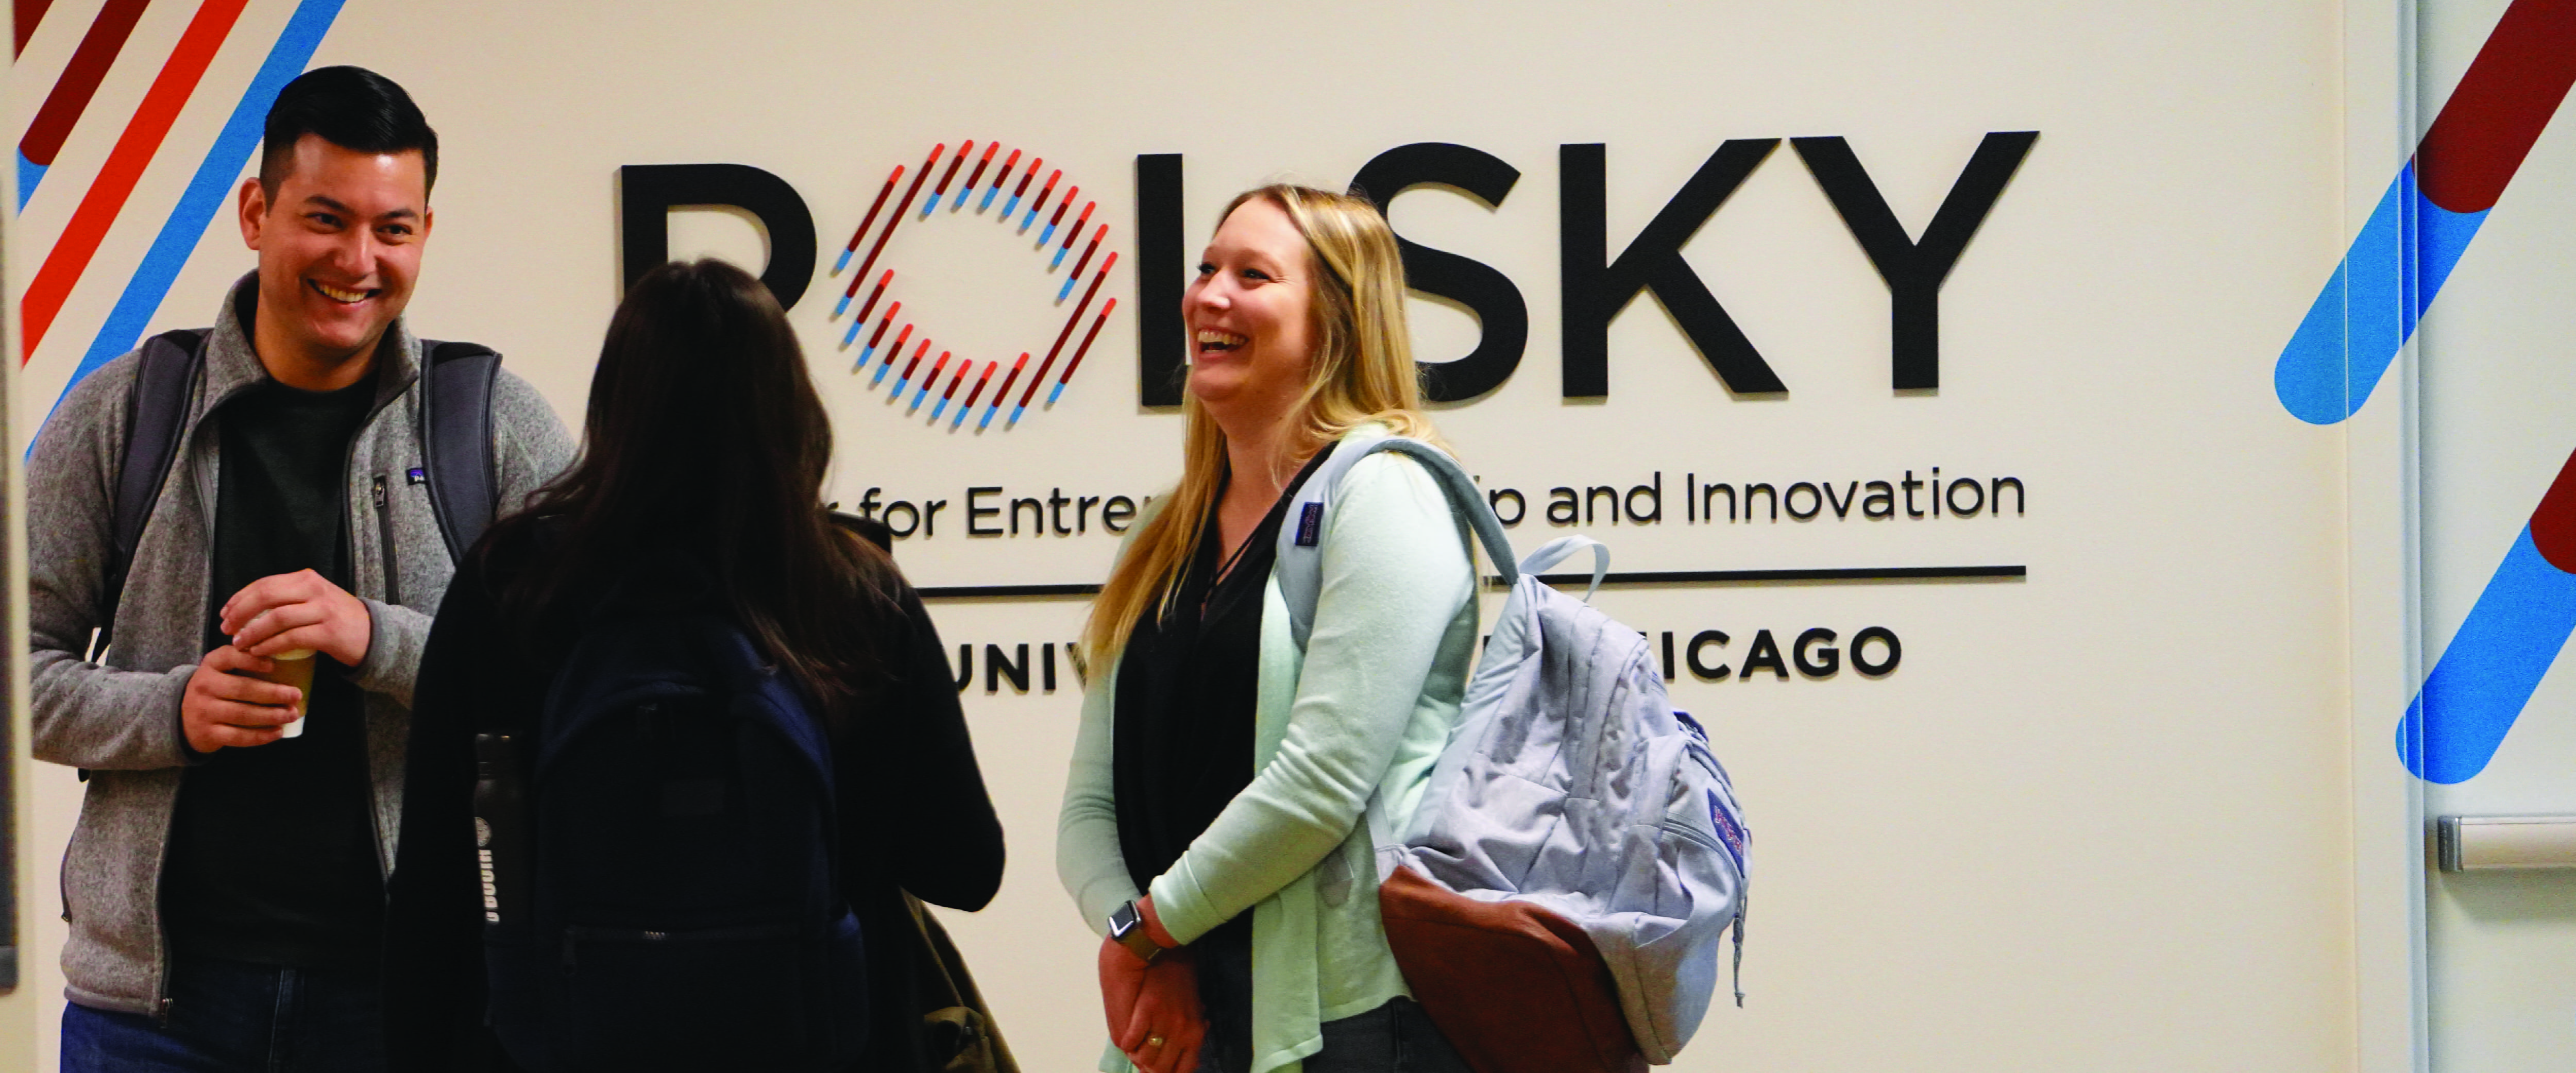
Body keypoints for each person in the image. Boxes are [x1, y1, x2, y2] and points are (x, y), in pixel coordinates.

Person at [27, 66, 574, 1071]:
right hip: (154, 1013)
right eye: (325, 219)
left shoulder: (492, 424)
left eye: (393, 229)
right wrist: (172, 712)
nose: (358, 260)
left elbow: (580, 677)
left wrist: (385, 641)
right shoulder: (127, 412)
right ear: (254, 213)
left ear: (424, 232)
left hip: (415, 1005)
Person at [380, 258, 1005, 1071]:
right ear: (790, 406)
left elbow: (435, 881)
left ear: (615, 405)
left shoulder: (515, 586)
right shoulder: (849, 591)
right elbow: (965, 864)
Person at [1057, 185, 1481, 1073]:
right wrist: (1151, 944)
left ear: (1335, 319)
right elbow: (1090, 809)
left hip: (1353, 1026)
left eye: (1252, 275)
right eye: (1207, 268)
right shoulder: (1158, 533)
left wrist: (1146, 933)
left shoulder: (1387, 495)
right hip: (1183, 1015)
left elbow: (1320, 785)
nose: (1209, 296)